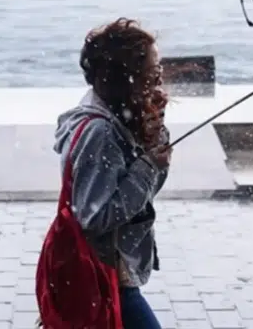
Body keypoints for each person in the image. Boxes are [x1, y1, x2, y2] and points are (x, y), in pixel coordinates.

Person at [52, 17, 172, 329]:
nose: (159, 80)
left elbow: (142, 195)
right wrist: (147, 167)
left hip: (106, 273)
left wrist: (154, 135)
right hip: (104, 274)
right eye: (152, 72)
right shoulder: (100, 132)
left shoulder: (113, 118)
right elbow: (95, 216)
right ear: (126, 77)